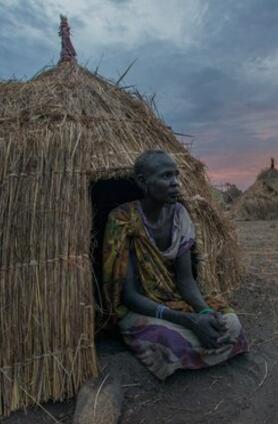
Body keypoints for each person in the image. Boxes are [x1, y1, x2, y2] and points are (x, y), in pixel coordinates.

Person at [102, 150, 248, 380]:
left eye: (176, 176)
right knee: (170, 341)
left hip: (175, 299)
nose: (175, 183)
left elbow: (185, 279)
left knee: (231, 325)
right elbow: (129, 296)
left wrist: (204, 312)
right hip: (143, 308)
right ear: (142, 182)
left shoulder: (180, 216)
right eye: (166, 176)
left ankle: (194, 344)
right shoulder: (123, 220)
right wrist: (188, 320)